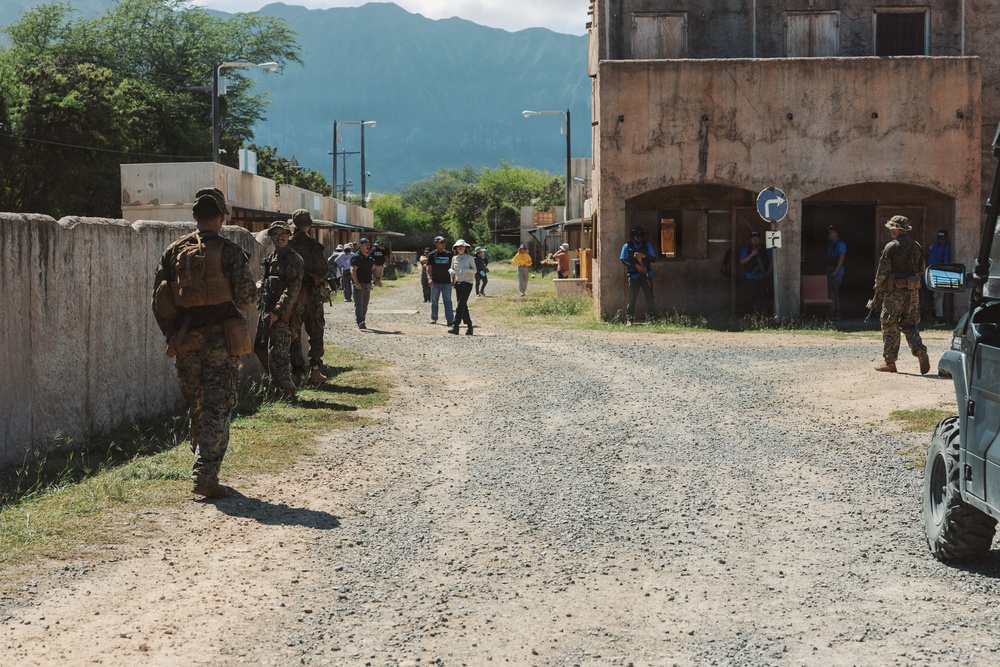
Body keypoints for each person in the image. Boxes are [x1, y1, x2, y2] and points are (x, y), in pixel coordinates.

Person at [151, 187, 257, 499]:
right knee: (217, 405)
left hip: (187, 339)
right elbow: (247, 300)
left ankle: (199, 456)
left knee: (196, 402)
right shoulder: (231, 252)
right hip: (221, 340)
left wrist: (173, 336)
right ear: (222, 217)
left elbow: (159, 302)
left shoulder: (173, 251)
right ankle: (206, 473)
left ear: (195, 216)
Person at [869, 215, 930, 374]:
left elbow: (882, 273)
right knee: (909, 324)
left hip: (894, 293)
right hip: (912, 293)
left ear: (895, 229)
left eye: (891, 227)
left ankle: (890, 362)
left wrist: (878, 291)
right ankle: (919, 351)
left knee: (889, 325)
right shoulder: (916, 246)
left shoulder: (891, 247)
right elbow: (922, 269)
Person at [259, 221, 304, 396]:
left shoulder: (293, 258)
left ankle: (286, 389)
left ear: (289, 235)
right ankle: (278, 383)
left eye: (283, 233)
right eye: (275, 234)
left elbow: (292, 290)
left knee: (279, 353)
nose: (280, 237)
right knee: (260, 347)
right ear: (271, 237)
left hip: (284, 314)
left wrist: (278, 312)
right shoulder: (272, 258)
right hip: (268, 311)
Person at [288, 209, 329, 385]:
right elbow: (324, 270)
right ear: (309, 225)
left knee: (294, 334)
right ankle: (315, 371)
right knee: (316, 333)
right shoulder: (315, 246)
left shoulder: (287, 246)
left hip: (293, 297)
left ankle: (298, 374)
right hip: (312, 296)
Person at [620, 226, 657, 324]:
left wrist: (643, 256)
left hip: (646, 275)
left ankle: (653, 319)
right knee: (632, 298)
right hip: (633, 276)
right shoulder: (627, 246)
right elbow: (623, 260)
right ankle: (630, 319)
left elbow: (653, 259)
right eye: (636, 237)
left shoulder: (647, 245)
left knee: (650, 298)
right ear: (633, 237)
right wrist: (636, 265)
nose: (638, 239)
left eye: (640, 237)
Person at [739, 231, 772, 315]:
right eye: (753, 237)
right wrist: (752, 254)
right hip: (750, 277)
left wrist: (768, 272)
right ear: (751, 239)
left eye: (757, 237)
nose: (755, 239)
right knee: (749, 297)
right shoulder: (747, 249)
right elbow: (742, 261)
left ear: (759, 238)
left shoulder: (765, 249)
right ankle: (749, 316)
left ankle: (763, 316)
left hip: (762, 277)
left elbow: (772, 260)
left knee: (763, 297)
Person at [449, 239, 476, 335]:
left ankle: (455, 325)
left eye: (462, 246)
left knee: (460, 304)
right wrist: (451, 271)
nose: (460, 248)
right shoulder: (454, 258)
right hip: (458, 283)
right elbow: (451, 268)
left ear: (465, 248)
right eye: (458, 247)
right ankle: (469, 327)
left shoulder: (470, 258)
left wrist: (466, 270)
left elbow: (475, 270)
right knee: (463, 305)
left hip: (468, 283)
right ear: (456, 248)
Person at [426, 235, 455, 325]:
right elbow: (428, 268)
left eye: (444, 242)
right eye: (441, 242)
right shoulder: (432, 255)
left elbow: (453, 267)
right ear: (436, 244)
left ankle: (450, 319)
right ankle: (434, 318)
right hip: (435, 282)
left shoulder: (449, 254)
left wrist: (454, 279)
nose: (443, 244)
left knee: (448, 301)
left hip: (447, 282)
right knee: (434, 301)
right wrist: (429, 278)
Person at [927, 229, 952, 325]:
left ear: (946, 238)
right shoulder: (935, 245)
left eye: (943, 239)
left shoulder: (947, 247)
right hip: (931, 272)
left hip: (941, 272)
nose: (941, 240)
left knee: (938, 296)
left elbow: (946, 261)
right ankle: (937, 316)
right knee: (935, 296)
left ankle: (940, 318)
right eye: (940, 238)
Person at [350, 238, 376, 329]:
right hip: (359, 283)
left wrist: (377, 278)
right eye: (365, 244)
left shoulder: (369, 258)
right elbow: (353, 270)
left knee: (365, 304)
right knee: (359, 303)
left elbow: (373, 269)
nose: (368, 246)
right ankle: (360, 321)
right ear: (360, 245)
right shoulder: (357, 256)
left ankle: (362, 320)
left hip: (367, 283)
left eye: (369, 245)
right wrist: (356, 282)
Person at [825, 225, 846, 321]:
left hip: (836, 272)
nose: (827, 235)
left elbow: (841, 257)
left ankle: (833, 315)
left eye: (829, 233)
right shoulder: (830, 244)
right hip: (830, 270)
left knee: (832, 293)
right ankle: (834, 314)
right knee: (833, 293)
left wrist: (835, 271)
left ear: (835, 233)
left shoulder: (840, 244)